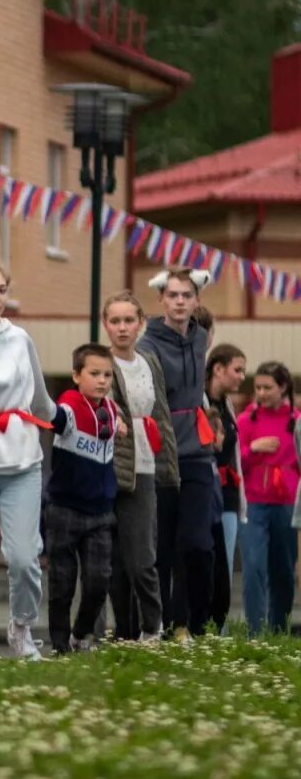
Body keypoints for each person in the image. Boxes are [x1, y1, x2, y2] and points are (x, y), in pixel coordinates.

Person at [0, 263, 64, 661]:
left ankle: (21, 628)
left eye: (1, 289)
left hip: (24, 459)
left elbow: (40, 400)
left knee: (24, 558)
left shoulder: (21, 338)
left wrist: (70, 420)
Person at [137, 269, 215, 638]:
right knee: (164, 545)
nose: (180, 301)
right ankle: (167, 624)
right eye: (173, 295)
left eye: (187, 295)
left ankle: (198, 622)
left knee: (198, 542)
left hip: (198, 451)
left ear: (197, 299)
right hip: (163, 451)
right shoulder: (148, 344)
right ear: (162, 300)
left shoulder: (200, 338)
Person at [103, 291, 174, 643]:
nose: (122, 328)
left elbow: (160, 412)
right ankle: (124, 632)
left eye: (129, 320)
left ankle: (152, 626)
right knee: (113, 561)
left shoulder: (149, 361)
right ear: (106, 325)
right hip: (109, 464)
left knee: (142, 556)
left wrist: (167, 464)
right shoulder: (101, 363)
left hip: (144, 463)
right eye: (115, 321)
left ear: (141, 323)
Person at [48, 344, 126, 654]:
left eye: (107, 374)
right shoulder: (67, 407)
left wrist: (119, 425)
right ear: (76, 376)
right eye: (94, 374)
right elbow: (54, 417)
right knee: (61, 582)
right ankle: (59, 644)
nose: (102, 380)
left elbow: (112, 427)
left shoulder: (111, 408)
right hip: (65, 508)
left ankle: (80, 635)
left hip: (101, 511)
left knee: (98, 581)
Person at [238, 361, 299, 635]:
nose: (261, 393)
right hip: (253, 502)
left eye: (267, 387)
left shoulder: (296, 422)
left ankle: (278, 630)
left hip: (287, 503)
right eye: (258, 387)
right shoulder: (245, 421)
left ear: (283, 387)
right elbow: (234, 461)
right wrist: (252, 448)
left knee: (284, 571)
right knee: (252, 567)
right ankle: (255, 633)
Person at [205, 335, 246, 632]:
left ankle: (217, 631)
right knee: (200, 559)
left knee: (224, 565)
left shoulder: (229, 405)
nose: (242, 377)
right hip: (203, 492)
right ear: (218, 369)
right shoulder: (199, 400)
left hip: (228, 494)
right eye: (238, 369)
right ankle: (193, 626)